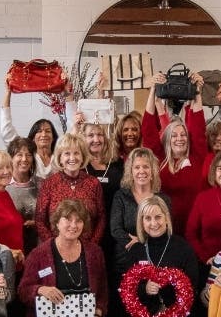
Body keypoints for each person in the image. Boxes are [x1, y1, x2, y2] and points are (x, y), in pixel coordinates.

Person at [141, 70, 207, 235]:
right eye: (174, 135)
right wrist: (153, 91)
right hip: (162, 230)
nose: (179, 139)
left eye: (183, 134)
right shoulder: (159, 158)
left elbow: (198, 128)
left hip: (192, 230)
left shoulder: (196, 157)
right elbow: (148, 129)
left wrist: (197, 91)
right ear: (167, 139)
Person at [34, 132, 105, 245]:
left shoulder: (93, 183)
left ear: (82, 157)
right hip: (55, 250)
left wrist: (91, 245)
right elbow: (40, 220)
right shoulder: (49, 184)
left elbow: (101, 218)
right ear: (60, 158)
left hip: (87, 250)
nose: (72, 158)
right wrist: (54, 246)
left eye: (76, 153)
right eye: (67, 153)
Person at [109, 148, 170, 276]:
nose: (141, 171)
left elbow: (167, 229)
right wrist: (136, 243)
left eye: (146, 167)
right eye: (137, 167)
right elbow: (116, 229)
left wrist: (142, 241)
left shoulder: (163, 199)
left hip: (155, 258)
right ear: (131, 171)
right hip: (125, 258)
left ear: (152, 171)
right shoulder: (121, 196)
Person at [1, 84, 58, 179]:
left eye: (48, 131)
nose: (44, 134)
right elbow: (7, 130)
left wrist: (69, 97)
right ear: (32, 137)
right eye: (39, 131)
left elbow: (73, 134)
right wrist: (8, 94)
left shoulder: (59, 156)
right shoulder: (28, 156)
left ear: (53, 136)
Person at [6, 136, 40, 253]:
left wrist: (38, 223)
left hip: (38, 244)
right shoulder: (3, 186)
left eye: (29, 155)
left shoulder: (42, 184)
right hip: (12, 247)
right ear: (11, 158)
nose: (24, 159)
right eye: (19, 155)